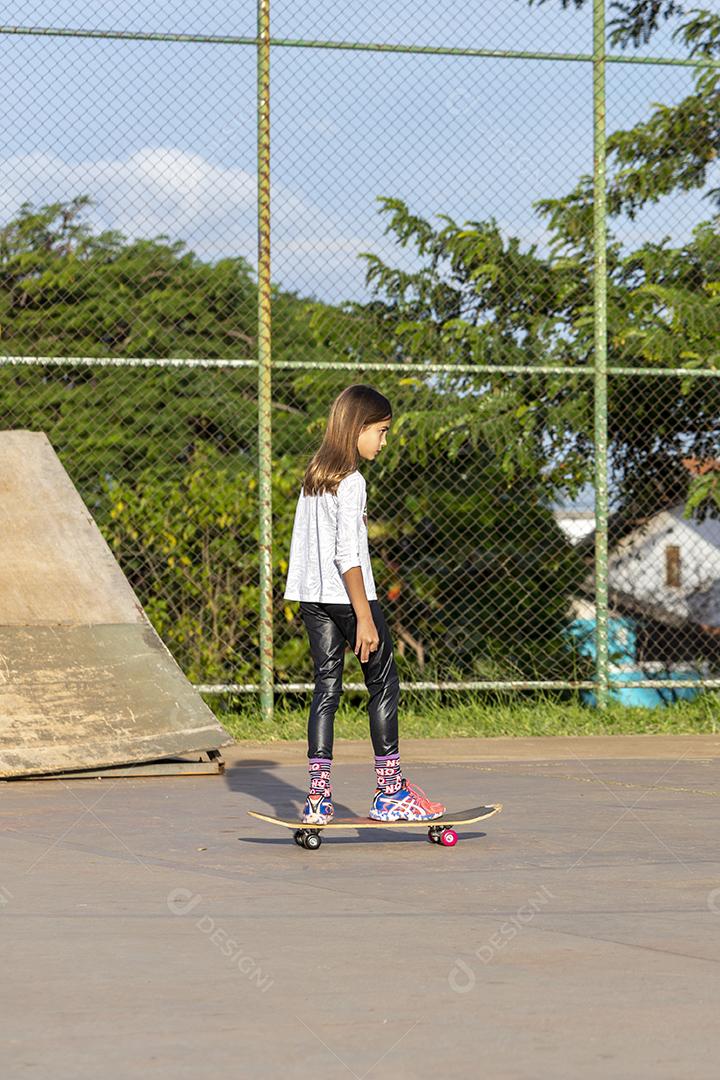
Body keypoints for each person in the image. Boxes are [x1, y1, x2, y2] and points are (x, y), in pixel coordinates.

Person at [283, 383, 446, 826]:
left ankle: (318, 798)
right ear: (357, 428)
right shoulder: (352, 481)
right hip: (350, 597)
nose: (384, 440)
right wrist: (363, 617)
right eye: (381, 430)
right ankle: (390, 792)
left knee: (327, 689)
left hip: (312, 598)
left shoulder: (315, 475)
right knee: (384, 685)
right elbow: (348, 556)